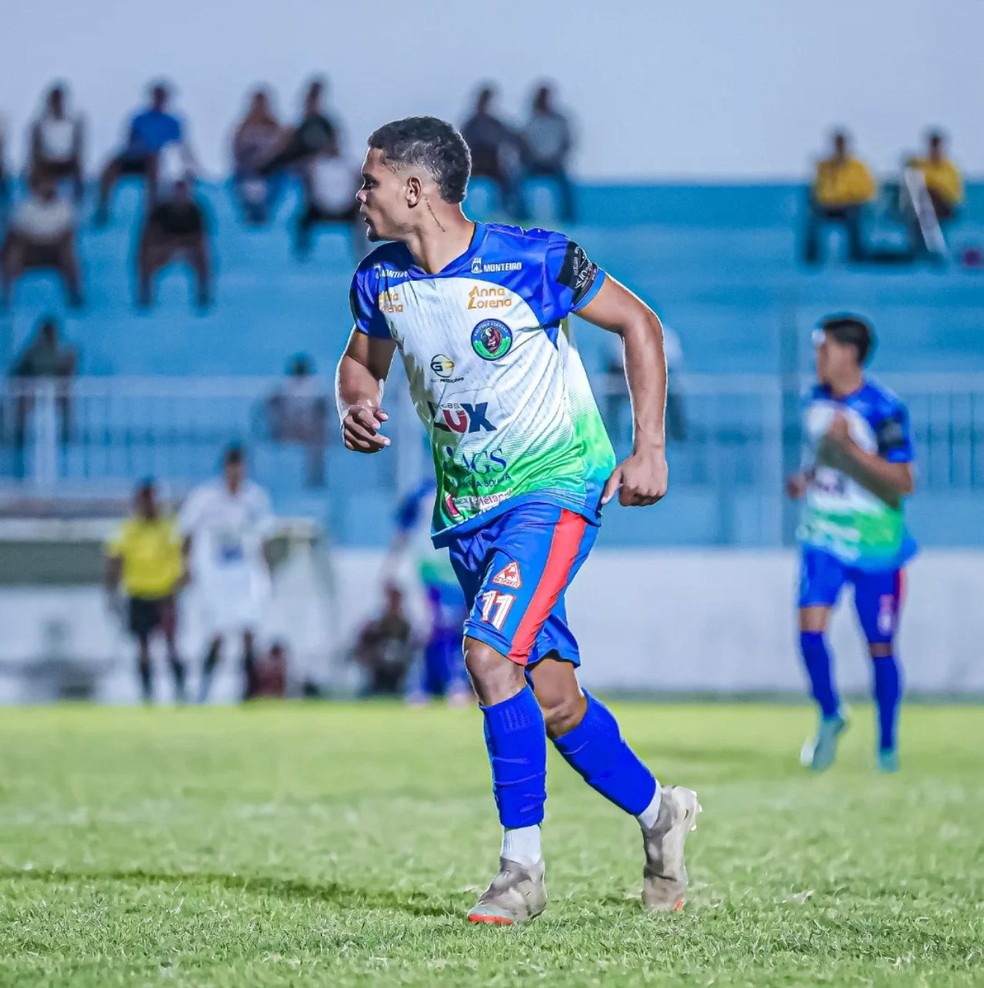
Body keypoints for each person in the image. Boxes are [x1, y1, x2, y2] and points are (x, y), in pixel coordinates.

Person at [336, 116, 699, 924]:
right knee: (556, 700)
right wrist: (357, 402)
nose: (358, 195)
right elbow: (362, 360)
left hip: (556, 488)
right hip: (468, 512)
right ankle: (660, 814)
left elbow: (639, 324)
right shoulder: (379, 279)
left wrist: (650, 449)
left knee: (486, 652)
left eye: (369, 181)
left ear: (414, 189)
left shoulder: (533, 258)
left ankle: (521, 872)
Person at [786, 315, 916, 774]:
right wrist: (806, 479)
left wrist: (851, 451)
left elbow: (903, 482)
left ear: (848, 353)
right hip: (823, 537)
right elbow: (823, 460)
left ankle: (887, 746)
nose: (817, 358)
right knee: (809, 629)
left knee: (880, 646)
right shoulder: (814, 402)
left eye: (823, 349)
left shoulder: (884, 408)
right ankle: (829, 713)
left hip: (875, 546)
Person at [178, 445, 274, 703]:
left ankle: (249, 693)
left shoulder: (255, 498)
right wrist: (185, 567)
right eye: (231, 467)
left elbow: (263, 538)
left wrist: (265, 572)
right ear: (224, 469)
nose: (235, 473)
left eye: (239, 467)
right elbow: (186, 533)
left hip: (245, 575)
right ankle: (203, 691)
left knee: (248, 633)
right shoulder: (205, 498)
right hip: (216, 576)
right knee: (217, 635)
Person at [105, 479, 186, 704]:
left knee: (172, 645)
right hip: (138, 592)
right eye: (145, 499)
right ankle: (147, 694)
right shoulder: (127, 530)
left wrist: (178, 584)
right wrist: (111, 593)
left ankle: (181, 692)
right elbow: (115, 560)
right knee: (142, 647)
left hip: (164, 594)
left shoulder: (169, 528)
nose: (150, 504)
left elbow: (181, 558)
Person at [390, 478, 470, 704]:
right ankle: (418, 686)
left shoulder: (474, 486)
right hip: (428, 576)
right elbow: (402, 532)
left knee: (459, 631)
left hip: (459, 573)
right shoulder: (421, 493)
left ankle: (456, 683)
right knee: (426, 630)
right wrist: (392, 567)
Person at [96, 82, 183, 223]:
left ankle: (152, 210)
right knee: (111, 165)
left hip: (155, 160)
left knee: (154, 162)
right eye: (156, 96)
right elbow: (130, 139)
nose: (158, 100)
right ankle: (103, 208)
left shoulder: (172, 122)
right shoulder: (139, 118)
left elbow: (178, 146)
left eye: (161, 97)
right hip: (135, 157)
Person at [8, 316, 77, 475]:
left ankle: (66, 435)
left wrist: (69, 365)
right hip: (33, 393)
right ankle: (20, 438)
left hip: (55, 394)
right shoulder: (32, 351)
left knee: (66, 397)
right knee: (22, 403)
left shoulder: (63, 351)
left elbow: (67, 374)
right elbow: (18, 372)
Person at [1, 175, 83, 308]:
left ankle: (75, 294)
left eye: (50, 184)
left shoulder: (65, 206)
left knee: (68, 252)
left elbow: (69, 233)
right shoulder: (25, 206)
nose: (47, 188)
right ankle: (6, 295)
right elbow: (16, 232)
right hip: (29, 251)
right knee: (14, 251)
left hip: (55, 251)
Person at [136, 178, 211, 309]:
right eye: (177, 192)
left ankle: (203, 294)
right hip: (164, 248)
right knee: (148, 253)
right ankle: (145, 293)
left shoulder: (195, 211)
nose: (180, 196)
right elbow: (152, 235)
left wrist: (182, 243)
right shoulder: (161, 211)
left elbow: (200, 235)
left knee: (203, 253)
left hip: (187, 247)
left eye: (184, 192)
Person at [803, 131, 876, 265]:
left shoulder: (858, 166)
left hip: (850, 206)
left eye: (842, 145)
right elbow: (818, 190)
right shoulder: (824, 166)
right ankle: (811, 258)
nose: (839, 149)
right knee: (812, 219)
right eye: (836, 145)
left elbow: (866, 191)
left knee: (856, 218)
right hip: (828, 206)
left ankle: (856, 255)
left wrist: (848, 198)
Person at [264, 354, 329, 487]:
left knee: (319, 438)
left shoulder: (315, 387)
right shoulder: (286, 386)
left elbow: (325, 408)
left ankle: (316, 478)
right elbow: (270, 402)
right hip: (288, 429)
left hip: (310, 432)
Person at [294, 134, 362, 257]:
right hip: (320, 207)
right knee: (301, 220)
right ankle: (302, 254)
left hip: (346, 208)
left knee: (365, 219)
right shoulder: (316, 164)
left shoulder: (350, 164)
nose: (333, 147)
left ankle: (361, 254)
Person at [258, 77, 338, 177]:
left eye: (314, 99)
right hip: (296, 167)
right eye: (310, 99)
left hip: (319, 166)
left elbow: (334, 148)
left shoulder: (325, 124)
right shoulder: (298, 127)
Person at [519, 84, 576, 224]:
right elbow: (524, 143)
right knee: (517, 183)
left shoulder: (560, 120)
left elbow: (567, 142)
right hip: (534, 163)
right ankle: (521, 215)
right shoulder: (531, 120)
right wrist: (529, 158)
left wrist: (558, 157)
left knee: (566, 186)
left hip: (554, 163)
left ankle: (568, 217)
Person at [460, 86, 519, 216]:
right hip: (474, 166)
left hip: (493, 166)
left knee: (510, 185)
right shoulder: (471, 124)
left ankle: (508, 212)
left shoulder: (495, 123)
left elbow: (513, 139)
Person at [352, 583, 416, 696]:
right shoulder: (377, 619)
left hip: (398, 663)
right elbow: (364, 637)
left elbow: (410, 642)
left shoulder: (405, 622)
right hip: (379, 662)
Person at [231, 88, 285, 226]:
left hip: (270, 170)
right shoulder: (243, 126)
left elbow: (282, 149)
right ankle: (249, 211)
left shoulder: (275, 126)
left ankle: (265, 211)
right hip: (248, 169)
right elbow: (236, 150)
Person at [28, 83, 85, 203]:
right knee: (35, 169)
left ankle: (77, 203)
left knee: (78, 168)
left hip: (68, 161)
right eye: (53, 100)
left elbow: (78, 146)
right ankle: (38, 204)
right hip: (46, 161)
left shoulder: (74, 122)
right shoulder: (40, 123)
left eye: (59, 100)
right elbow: (35, 148)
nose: (56, 103)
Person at [907, 131, 963, 225]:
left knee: (932, 193)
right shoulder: (921, 164)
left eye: (937, 145)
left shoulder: (949, 168)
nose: (934, 149)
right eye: (933, 145)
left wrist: (933, 187)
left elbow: (952, 195)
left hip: (944, 206)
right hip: (923, 204)